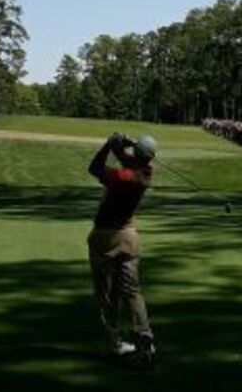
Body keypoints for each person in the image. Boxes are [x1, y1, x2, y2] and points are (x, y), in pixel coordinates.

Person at [86, 132, 156, 365]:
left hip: (106, 238)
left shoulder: (125, 176)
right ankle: (145, 341)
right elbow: (127, 160)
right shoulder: (146, 172)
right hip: (128, 239)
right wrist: (119, 146)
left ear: (137, 154)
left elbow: (95, 168)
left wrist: (109, 144)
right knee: (131, 290)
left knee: (106, 295)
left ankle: (115, 343)